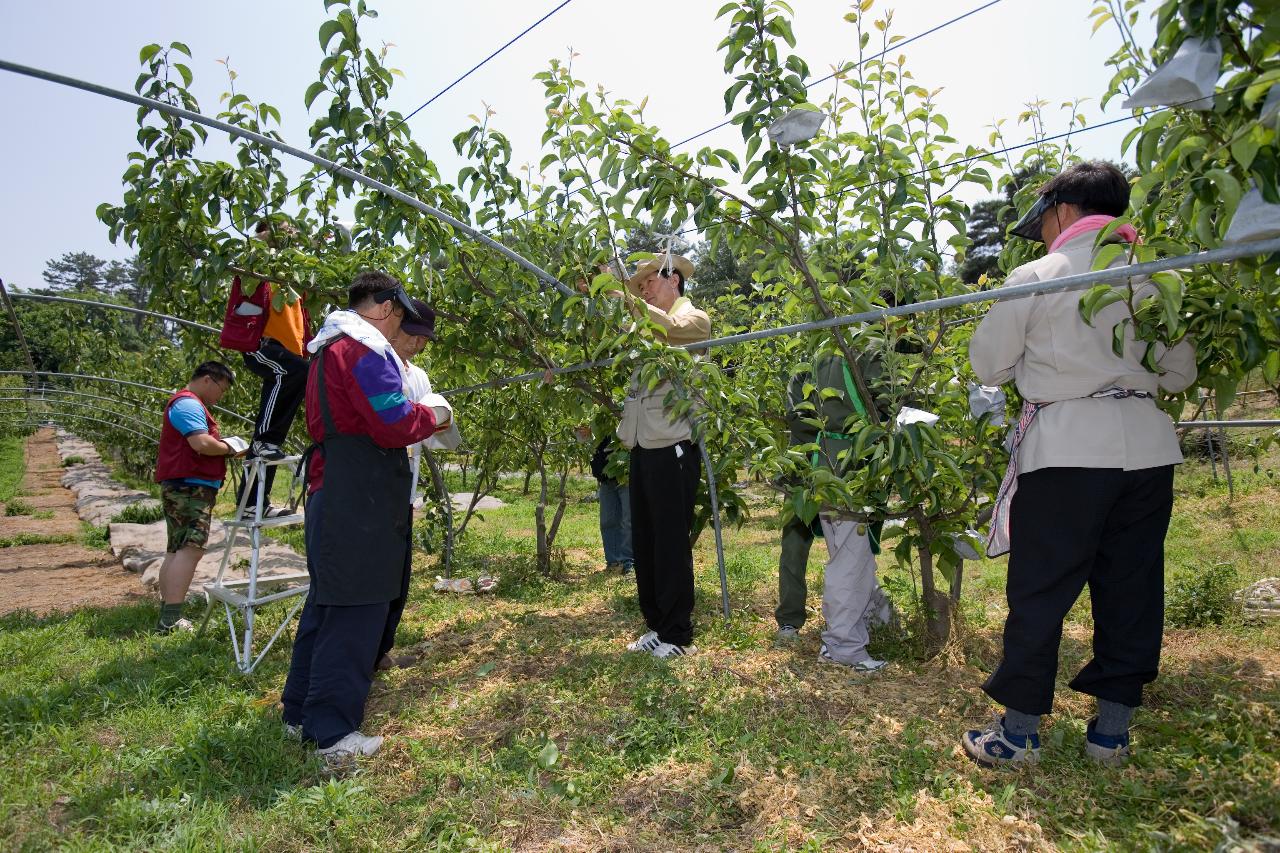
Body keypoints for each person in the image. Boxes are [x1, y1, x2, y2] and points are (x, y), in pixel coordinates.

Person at [962, 161, 1197, 768]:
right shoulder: (1153, 274)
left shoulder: (1039, 275)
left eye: (1041, 221)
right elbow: (1181, 372)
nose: (1040, 233)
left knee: (1041, 590)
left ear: (1063, 211)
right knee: (1132, 588)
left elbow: (987, 363)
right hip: (1146, 450)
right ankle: (1110, 736)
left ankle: (1017, 735)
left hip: (1066, 448)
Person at [281, 272, 448, 768]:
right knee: (356, 610)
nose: (399, 324)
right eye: (398, 313)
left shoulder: (328, 347)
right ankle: (332, 731)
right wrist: (434, 416)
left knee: (328, 605)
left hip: (337, 486)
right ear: (384, 307)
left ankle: (299, 713)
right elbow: (394, 422)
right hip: (361, 496)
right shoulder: (362, 349)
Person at [612, 253, 711, 659]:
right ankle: (656, 624)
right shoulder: (646, 325)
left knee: (670, 541)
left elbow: (666, 326)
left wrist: (621, 293)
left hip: (672, 444)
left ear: (672, 280)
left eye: (648, 283)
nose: (645, 291)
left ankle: (677, 633)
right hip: (642, 444)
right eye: (639, 288)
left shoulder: (694, 320)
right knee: (647, 539)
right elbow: (631, 325)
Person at [777, 353, 894, 672]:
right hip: (847, 467)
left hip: (827, 465)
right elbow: (887, 401)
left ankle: (859, 626)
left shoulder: (823, 351)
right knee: (848, 557)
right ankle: (842, 646)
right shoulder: (859, 349)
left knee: (853, 555)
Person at [223, 219, 313, 517]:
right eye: (282, 230)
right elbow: (244, 258)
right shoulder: (259, 266)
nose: (289, 234)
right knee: (291, 376)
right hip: (262, 344)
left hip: (289, 354)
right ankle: (262, 444)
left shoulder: (292, 273)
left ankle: (253, 505)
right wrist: (262, 239)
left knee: (273, 436)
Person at [153, 361, 247, 633]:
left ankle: (168, 611)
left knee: (177, 548)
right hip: (189, 488)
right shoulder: (188, 404)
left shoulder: (187, 404)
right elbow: (201, 444)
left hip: (184, 487)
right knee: (190, 548)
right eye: (222, 389)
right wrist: (230, 448)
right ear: (209, 380)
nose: (221, 396)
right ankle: (170, 619)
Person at [589, 432, 633, 575]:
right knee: (607, 521)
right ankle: (614, 562)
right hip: (606, 477)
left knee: (628, 520)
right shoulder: (600, 417)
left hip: (625, 475)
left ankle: (629, 563)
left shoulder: (623, 411)